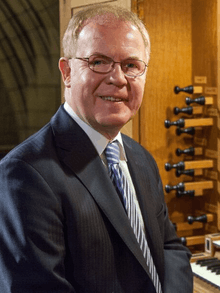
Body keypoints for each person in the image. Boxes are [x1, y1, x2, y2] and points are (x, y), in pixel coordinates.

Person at [0, 4, 193, 293]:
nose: (117, 78)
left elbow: (169, 249)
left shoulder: (140, 158)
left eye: (131, 65)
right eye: (99, 62)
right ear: (66, 71)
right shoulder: (25, 173)